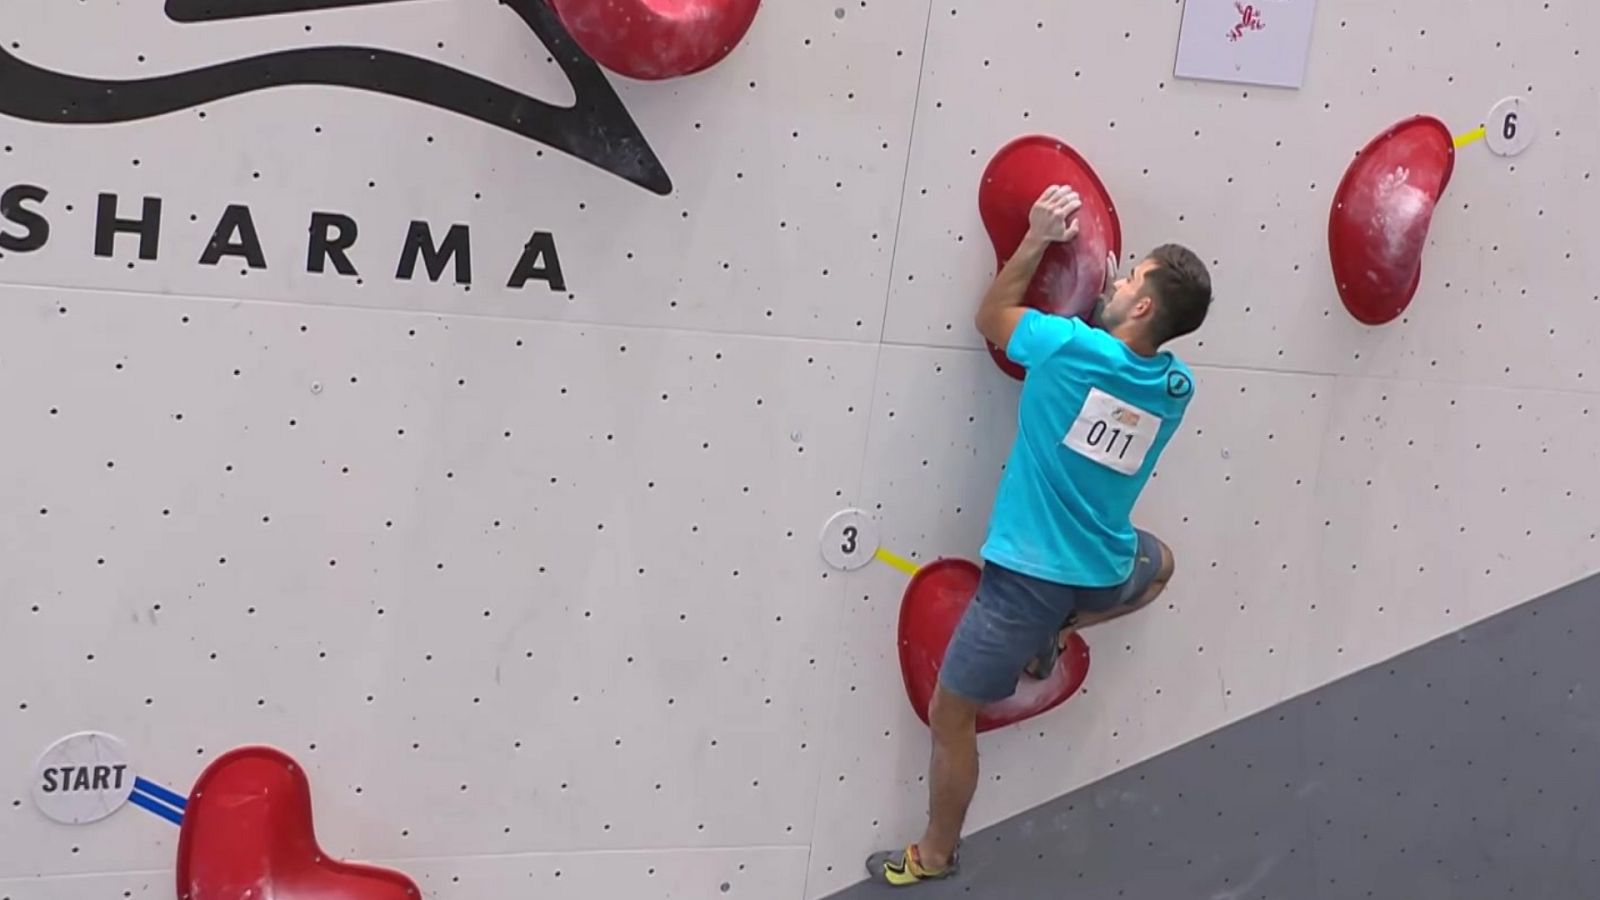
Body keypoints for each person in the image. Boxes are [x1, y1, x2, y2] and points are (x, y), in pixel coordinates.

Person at [867, 184, 1212, 887]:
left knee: (950, 713)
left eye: (1130, 276)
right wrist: (1114, 306)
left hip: (1027, 581)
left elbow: (991, 317)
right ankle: (1062, 628)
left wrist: (1035, 237)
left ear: (1142, 307)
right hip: (1105, 569)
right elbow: (1125, 351)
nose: (1114, 278)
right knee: (1163, 563)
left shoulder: (1065, 349)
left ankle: (933, 855)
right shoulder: (1175, 389)